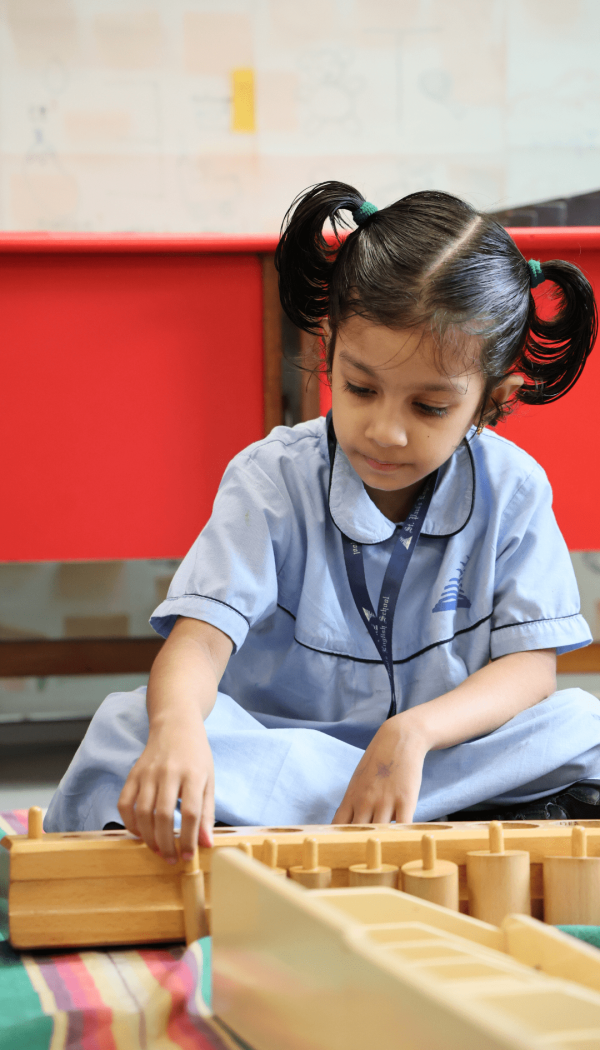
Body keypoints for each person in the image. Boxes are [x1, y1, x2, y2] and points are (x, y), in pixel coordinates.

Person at [45, 181, 600, 864]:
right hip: (289, 759)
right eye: (361, 388)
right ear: (330, 350)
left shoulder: (514, 487)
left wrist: (414, 733)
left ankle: (357, 823)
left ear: (491, 403)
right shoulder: (270, 475)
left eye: (429, 408)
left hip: (435, 758)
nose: (386, 431)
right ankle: (448, 827)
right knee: (129, 727)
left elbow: (530, 671)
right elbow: (200, 644)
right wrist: (178, 727)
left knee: (583, 724)